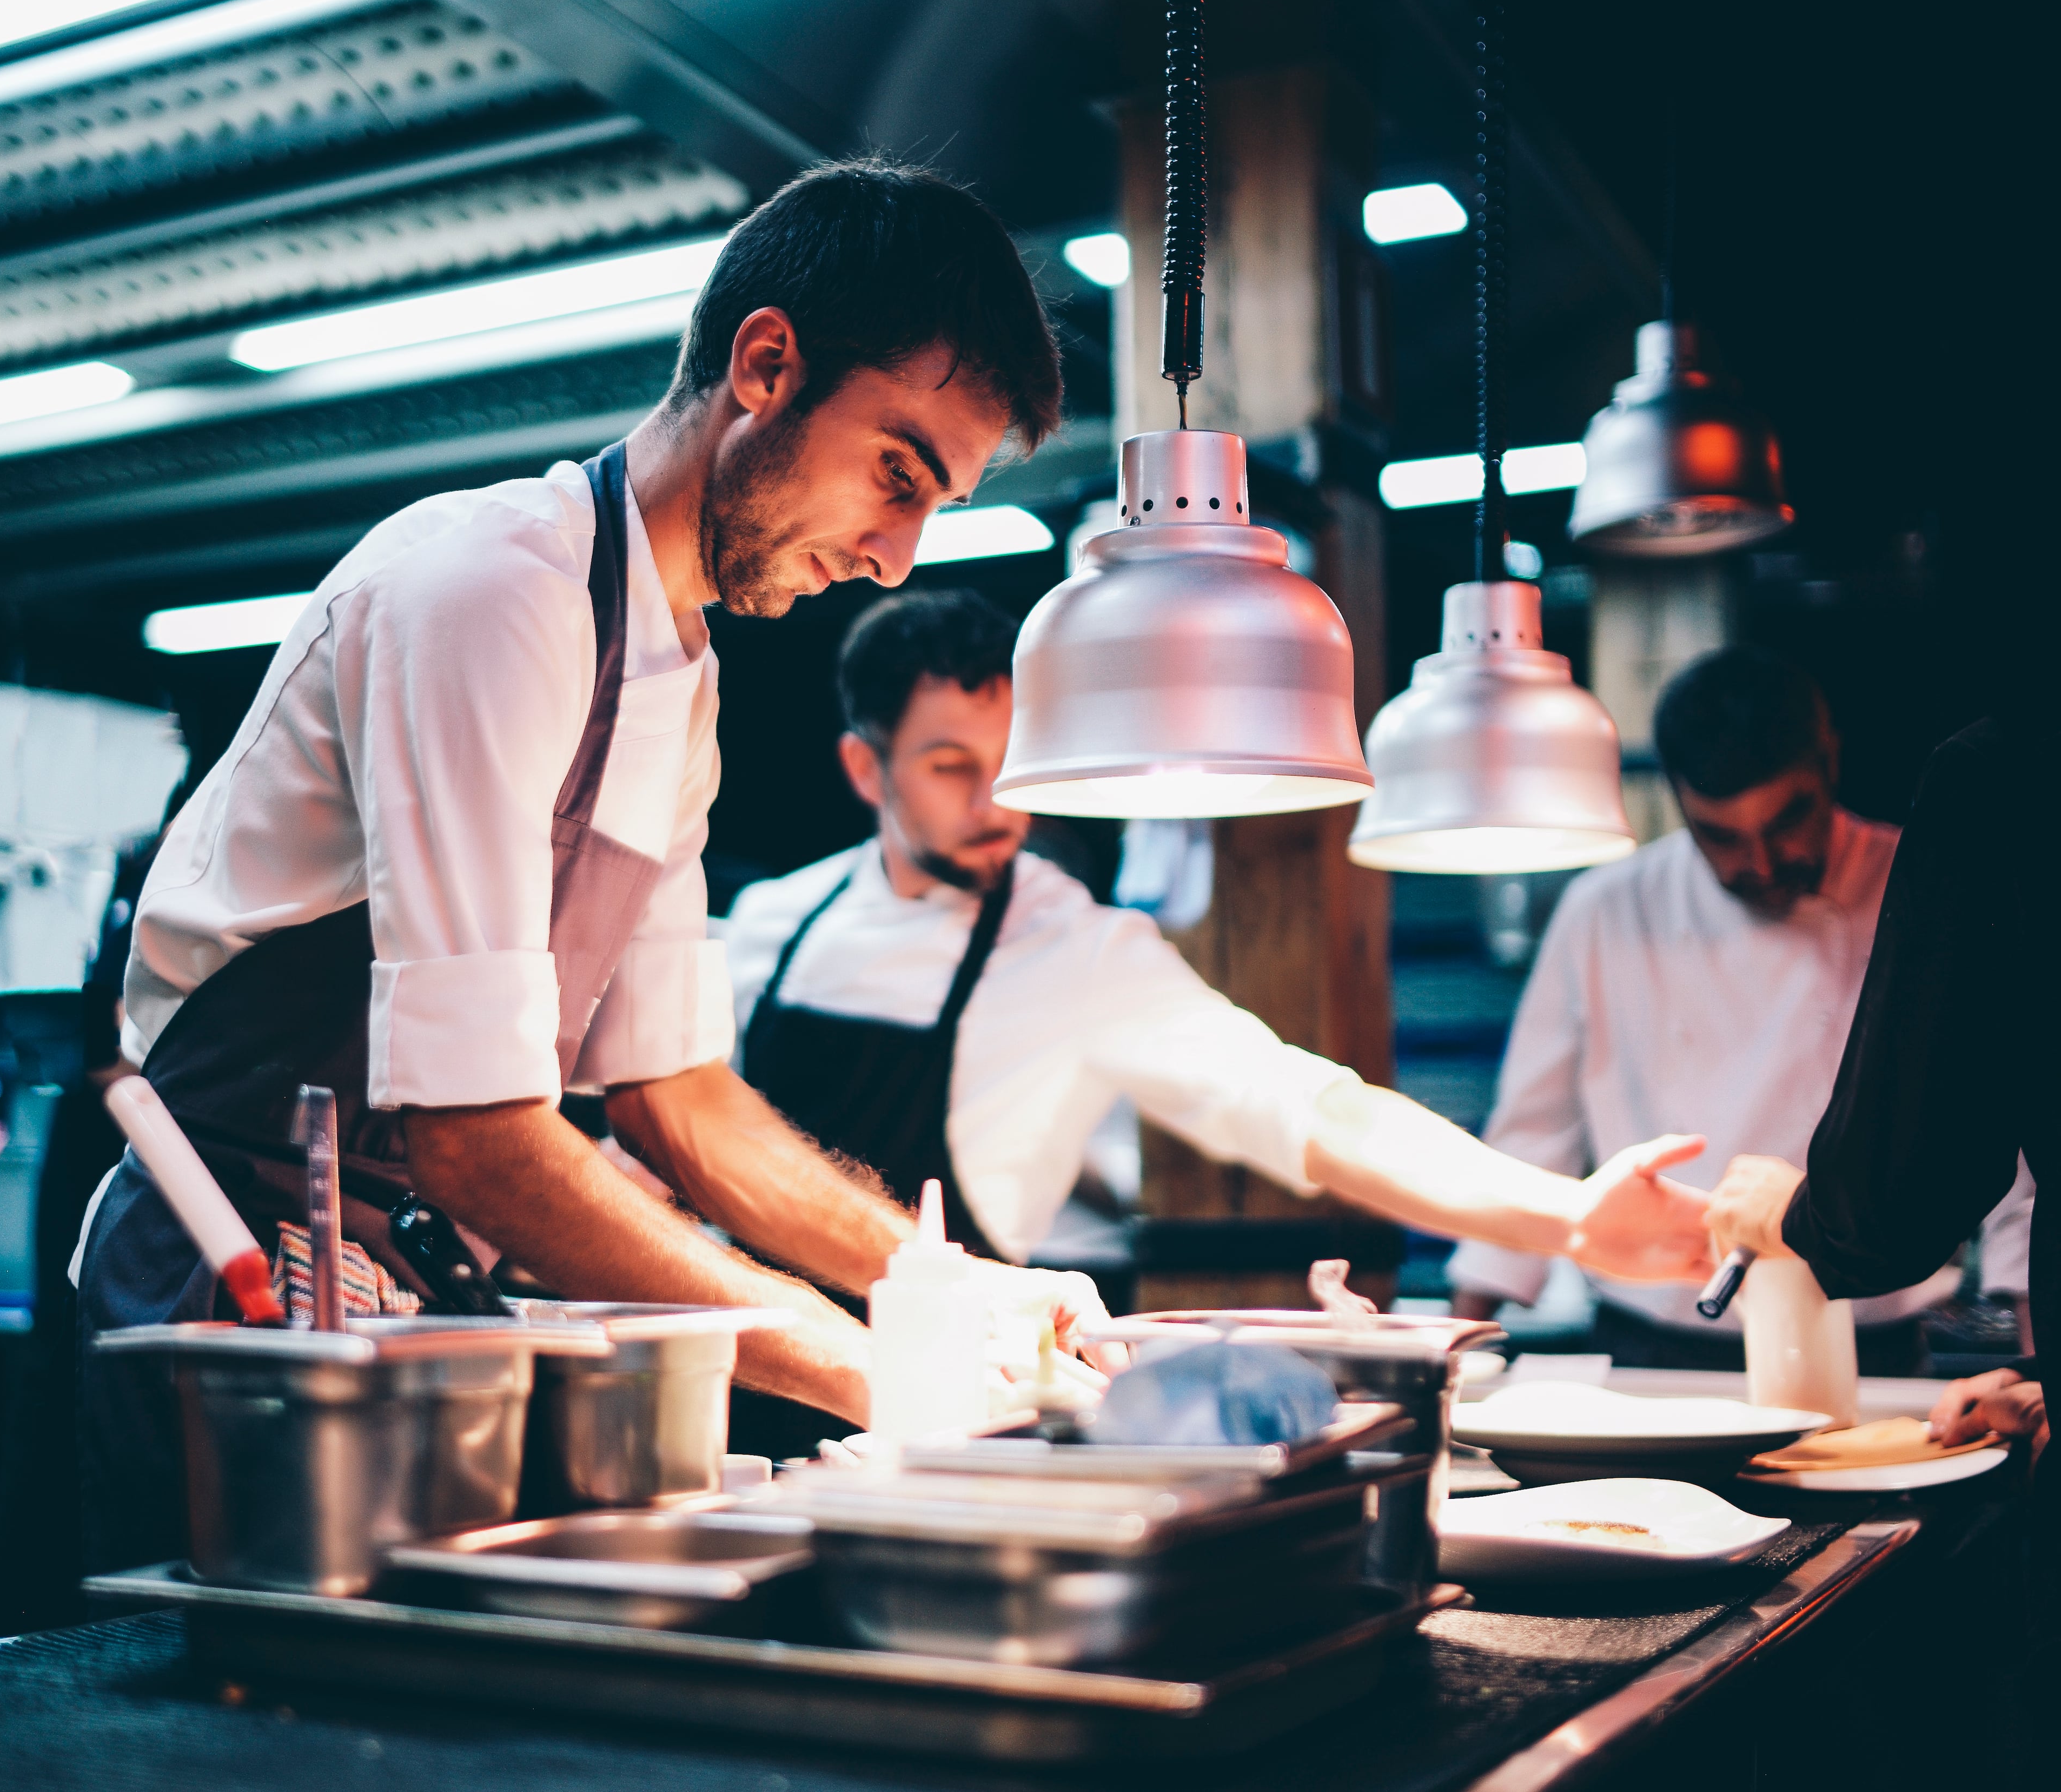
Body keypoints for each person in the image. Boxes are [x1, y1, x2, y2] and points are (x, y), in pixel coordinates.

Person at [68, 161, 1115, 1569]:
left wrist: (956, 1292)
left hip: (411, 1311)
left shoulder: (679, 678)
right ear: (765, 363)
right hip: (229, 1290)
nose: (892, 554)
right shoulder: (490, 590)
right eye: (895, 472)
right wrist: (875, 1371)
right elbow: (479, 1136)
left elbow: (681, 1101)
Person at [724, 588, 1718, 1279]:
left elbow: (1318, 1110)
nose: (998, 801)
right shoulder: (773, 925)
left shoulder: (1079, 951)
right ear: (867, 771)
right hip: (741, 1383)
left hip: (925, 1415)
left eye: (1011, 758)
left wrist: (1568, 1218)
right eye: (951, 766)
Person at [1447, 646, 2032, 1368]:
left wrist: (2039, 1379)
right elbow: (1533, 1135)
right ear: (1678, 800)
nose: (1759, 862)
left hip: (1869, 1343)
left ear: (1830, 761)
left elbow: (2018, 1132)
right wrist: (1453, 1351)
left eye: (1788, 820)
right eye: (1721, 836)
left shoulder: (1919, 881)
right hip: (1654, 1345)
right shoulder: (1606, 908)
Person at [1703, 703, 2056, 1679]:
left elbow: (1898, 1198)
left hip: (1885, 1318)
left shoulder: (2004, 774)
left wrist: (1790, 1211)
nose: (1766, 862)